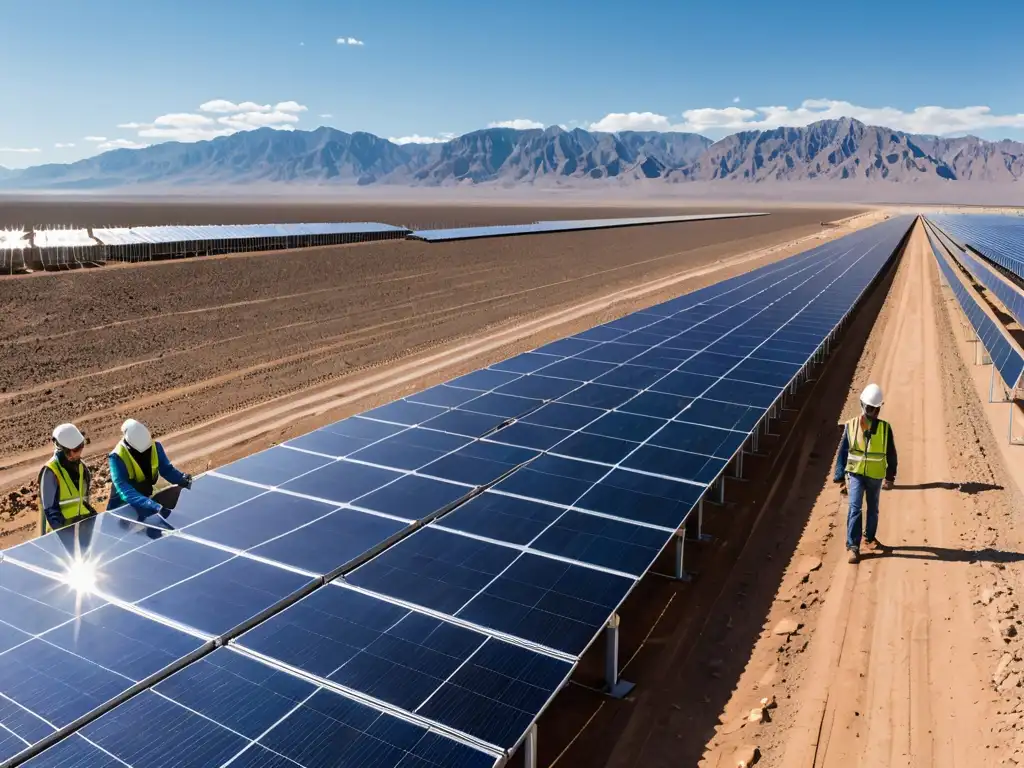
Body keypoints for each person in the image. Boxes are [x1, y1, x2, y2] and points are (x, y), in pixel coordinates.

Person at [833, 383, 898, 563]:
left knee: (873, 510)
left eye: (875, 410)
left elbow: (891, 453)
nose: (872, 413)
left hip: (875, 476)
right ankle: (853, 546)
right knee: (855, 508)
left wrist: (890, 476)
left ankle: (869, 538)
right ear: (863, 406)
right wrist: (839, 476)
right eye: (870, 409)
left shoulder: (885, 429)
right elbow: (843, 451)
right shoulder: (852, 425)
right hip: (855, 474)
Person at [107, 418, 192, 520]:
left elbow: (167, 470)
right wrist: (150, 505)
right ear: (130, 447)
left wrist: (182, 479)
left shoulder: (155, 447)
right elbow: (124, 489)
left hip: (144, 496)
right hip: (122, 505)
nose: (145, 453)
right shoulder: (117, 457)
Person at [38, 423, 99, 536]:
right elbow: (51, 512)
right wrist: (66, 533)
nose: (80, 453)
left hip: (81, 530)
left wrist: (92, 515)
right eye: (76, 450)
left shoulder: (82, 467)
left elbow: (82, 501)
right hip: (61, 535)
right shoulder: (50, 472)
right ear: (64, 450)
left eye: (81, 447)